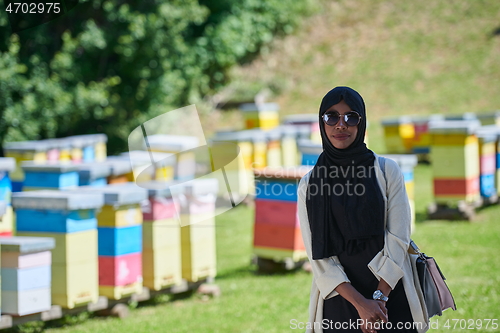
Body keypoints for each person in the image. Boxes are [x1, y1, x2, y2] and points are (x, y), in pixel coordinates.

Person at [297, 87, 428, 333]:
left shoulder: (387, 171)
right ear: (322, 123)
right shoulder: (309, 184)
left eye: (351, 117)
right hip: (340, 300)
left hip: (392, 294)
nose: (341, 125)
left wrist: (379, 297)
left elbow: (399, 237)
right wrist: (361, 304)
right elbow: (319, 258)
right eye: (331, 117)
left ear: (362, 122)